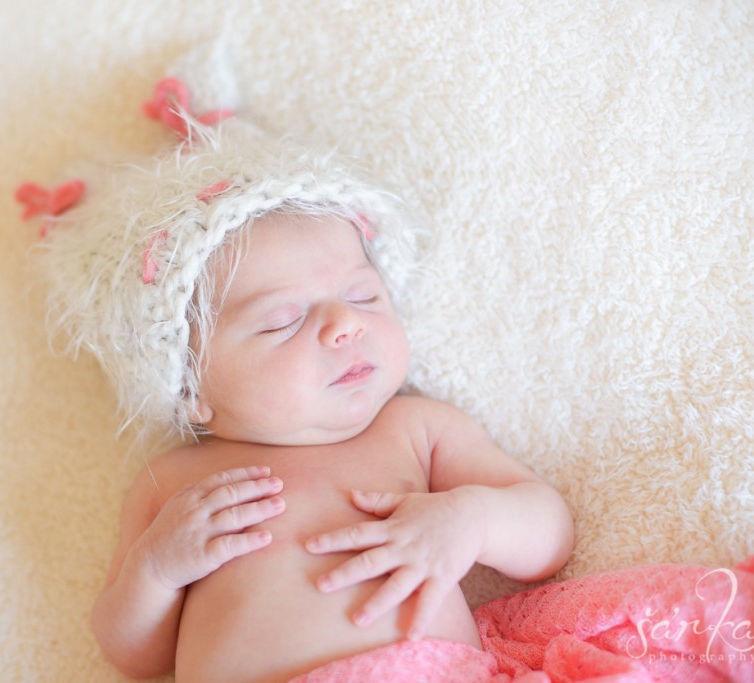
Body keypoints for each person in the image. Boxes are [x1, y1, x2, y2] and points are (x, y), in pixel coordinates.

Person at [29, 59, 574, 683]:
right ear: (188, 389)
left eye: (365, 296)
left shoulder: (415, 429)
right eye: (282, 320)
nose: (346, 324)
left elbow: (549, 530)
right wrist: (154, 571)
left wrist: (472, 523)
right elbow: (136, 656)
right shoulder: (171, 483)